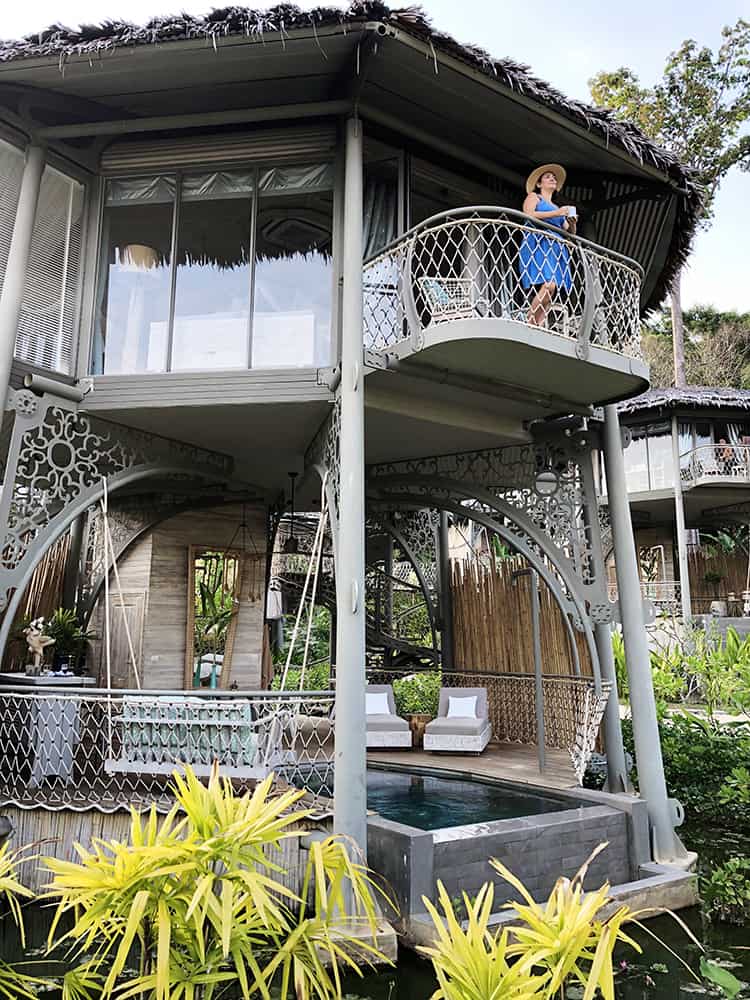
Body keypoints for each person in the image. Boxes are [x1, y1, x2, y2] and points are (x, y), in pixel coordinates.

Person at [519, 164, 576, 327]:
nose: (552, 178)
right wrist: (557, 214)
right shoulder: (534, 197)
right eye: (547, 177)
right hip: (539, 242)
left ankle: (539, 323)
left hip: (556, 249)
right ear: (539, 184)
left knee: (551, 290)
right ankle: (530, 319)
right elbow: (529, 214)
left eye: (554, 177)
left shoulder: (559, 208)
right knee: (548, 284)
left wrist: (572, 223)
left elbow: (570, 233)